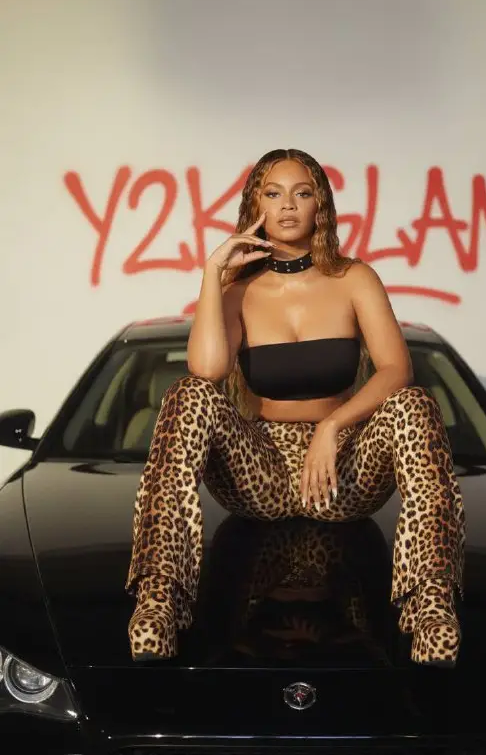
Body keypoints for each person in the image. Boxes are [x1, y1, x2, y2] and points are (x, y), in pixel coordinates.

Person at [125, 148, 466, 667]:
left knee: (414, 404)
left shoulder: (355, 278)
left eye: (302, 193)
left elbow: (397, 370)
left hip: (340, 472)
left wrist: (333, 426)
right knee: (186, 394)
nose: (288, 206)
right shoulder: (238, 290)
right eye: (273, 193)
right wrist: (213, 276)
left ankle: (432, 608)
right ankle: (159, 601)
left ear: (320, 206)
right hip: (259, 471)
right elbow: (209, 372)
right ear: (254, 205)